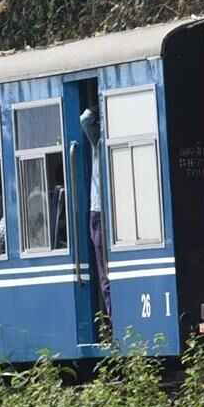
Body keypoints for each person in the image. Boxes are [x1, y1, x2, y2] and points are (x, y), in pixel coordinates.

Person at [80, 107, 111, 316]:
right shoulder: (99, 137)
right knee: (105, 270)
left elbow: (86, 118)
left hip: (100, 210)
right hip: (100, 211)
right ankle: (113, 317)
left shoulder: (99, 138)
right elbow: (86, 118)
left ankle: (113, 317)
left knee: (105, 271)